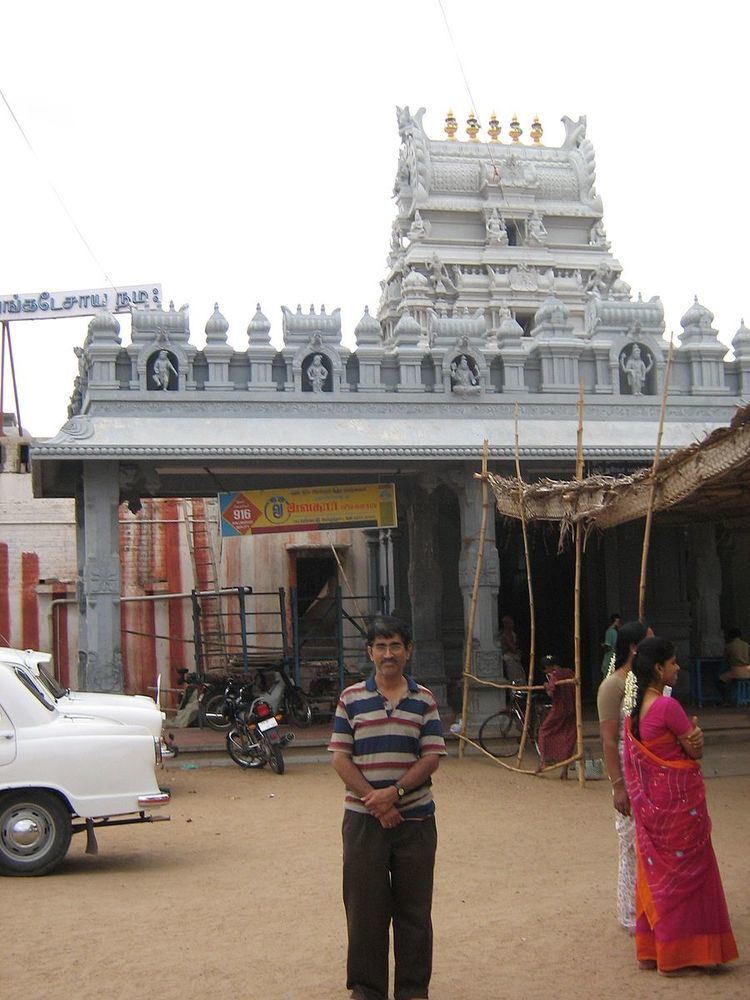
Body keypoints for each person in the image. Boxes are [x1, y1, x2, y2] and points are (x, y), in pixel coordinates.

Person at [329, 615, 446, 1000]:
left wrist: (393, 793)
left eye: (395, 645)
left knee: (414, 912)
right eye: (380, 646)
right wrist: (376, 802)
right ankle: (366, 990)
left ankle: (413, 990)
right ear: (370, 653)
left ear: (408, 652)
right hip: (364, 822)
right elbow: (340, 759)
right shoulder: (351, 699)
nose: (388, 654)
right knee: (365, 912)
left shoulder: (424, 700)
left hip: (415, 819)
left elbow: (431, 757)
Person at [624, 636, 738, 975]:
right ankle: (685, 954)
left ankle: (654, 951)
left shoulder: (635, 710)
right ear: (659, 669)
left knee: (659, 875)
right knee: (689, 879)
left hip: (653, 811)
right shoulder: (666, 707)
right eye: (673, 663)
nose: (677, 668)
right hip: (679, 810)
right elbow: (694, 751)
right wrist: (696, 739)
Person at [597, 619, 649, 932]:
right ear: (633, 648)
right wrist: (618, 785)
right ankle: (630, 912)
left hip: (651, 771)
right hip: (627, 772)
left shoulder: (646, 683)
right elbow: (607, 739)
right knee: (630, 844)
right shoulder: (613, 685)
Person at [535, 654, 576, 779]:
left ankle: (543, 762)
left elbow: (551, 692)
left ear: (548, 667)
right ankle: (565, 770)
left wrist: (546, 686)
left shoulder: (554, 675)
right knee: (568, 736)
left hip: (559, 709)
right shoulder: (570, 672)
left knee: (544, 732)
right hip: (573, 708)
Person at [500, 614, 524, 683]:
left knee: (519, 676)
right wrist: (517, 652)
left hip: (514, 657)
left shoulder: (512, 633)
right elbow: (512, 647)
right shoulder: (505, 634)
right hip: (509, 657)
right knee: (514, 677)